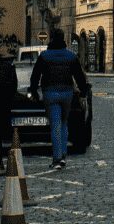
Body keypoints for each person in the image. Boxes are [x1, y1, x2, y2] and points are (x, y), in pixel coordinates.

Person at [29, 29, 88, 169]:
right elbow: (79, 76)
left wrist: (34, 91)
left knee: (55, 124)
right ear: (63, 40)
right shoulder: (71, 56)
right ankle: (63, 155)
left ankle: (57, 158)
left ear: (51, 39)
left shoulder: (44, 56)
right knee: (64, 123)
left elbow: (35, 75)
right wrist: (83, 92)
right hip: (67, 93)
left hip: (50, 93)